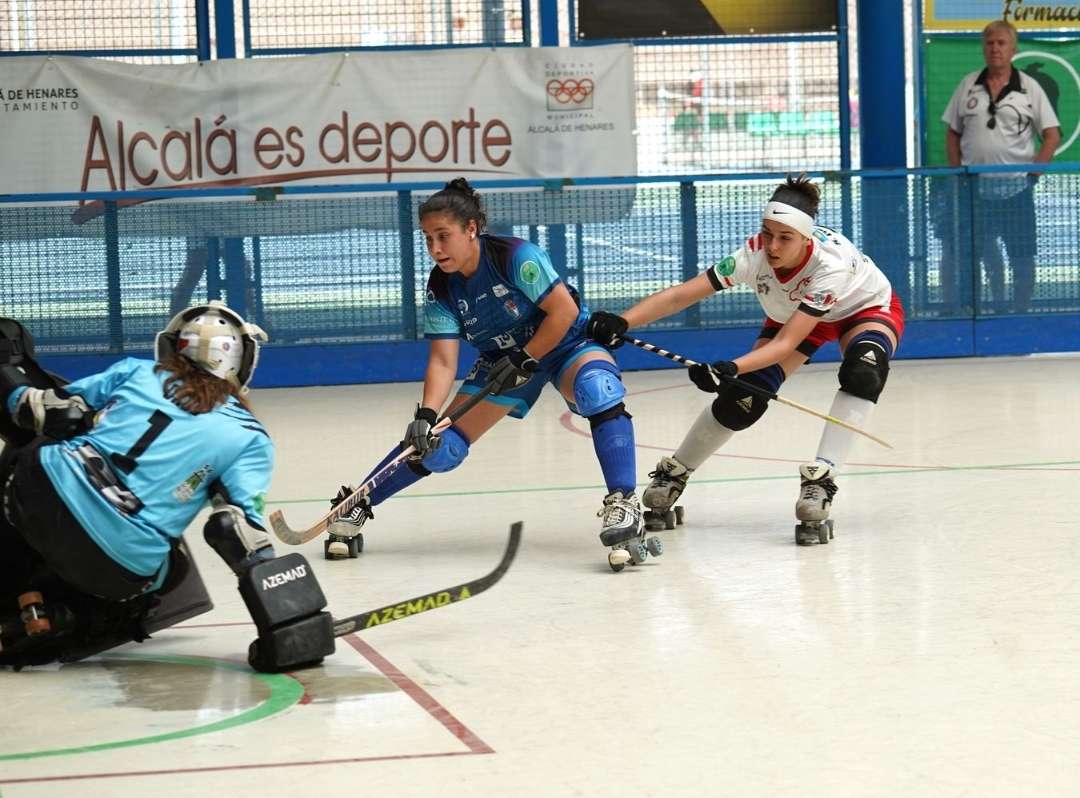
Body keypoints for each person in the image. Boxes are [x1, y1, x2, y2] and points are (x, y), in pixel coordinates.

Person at [323, 178, 644, 565]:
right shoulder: (441, 287)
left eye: (443, 236)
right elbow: (443, 359)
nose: (435, 248)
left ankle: (625, 503)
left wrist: (527, 355)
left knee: (598, 390)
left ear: (471, 229)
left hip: (565, 343)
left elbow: (564, 312)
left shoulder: (515, 256)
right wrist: (426, 415)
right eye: (427, 238)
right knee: (439, 445)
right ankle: (357, 502)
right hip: (502, 359)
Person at [0, 302, 333, 671]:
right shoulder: (251, 437)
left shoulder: (137, 371)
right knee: (169, 568)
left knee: (36, 452)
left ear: (174, 346)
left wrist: (13, 379)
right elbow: (236, 532)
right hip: (120, 567)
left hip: (31, 498)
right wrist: (290, 623)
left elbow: (43, 410)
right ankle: (54, 619)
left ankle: (19, 592)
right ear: (242, 360)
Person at [586, 175, 905, 545]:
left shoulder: (830, 265)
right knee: (743, 399)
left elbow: (787, 343)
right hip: (795, 312)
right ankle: (675, 473)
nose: (771, 245)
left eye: (785, 238)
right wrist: (624, 321)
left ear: (807, 237)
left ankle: (822, 478)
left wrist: (731, 368)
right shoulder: (752, 255)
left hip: (861, 308)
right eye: (767, 233)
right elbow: (683, 295)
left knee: (863, 372)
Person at [942, 19, 1060, 313]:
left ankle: (1020, 312)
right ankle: (976, 312)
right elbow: (953, 132)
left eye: (1001, 43)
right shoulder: (968, 84)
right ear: (983, 48)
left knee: (1022, 255)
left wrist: (1035, 173)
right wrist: (958, 172)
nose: (995, 49)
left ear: (1013, 48)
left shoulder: (1030, 88)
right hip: (974, 190)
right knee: (973, 255)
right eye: (990, 43)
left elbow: (1051, 134)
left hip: (1017, 191)